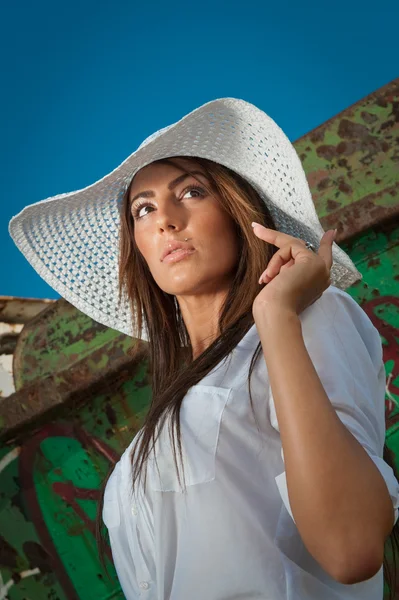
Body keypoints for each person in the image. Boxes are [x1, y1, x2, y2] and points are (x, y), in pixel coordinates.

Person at [8, 98, 399, 600]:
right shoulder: (146, 444)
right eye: (142, 209)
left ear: (241, 214)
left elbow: (351, 548)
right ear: (139, 249)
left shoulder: (305, 320)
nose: (165, 220)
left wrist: (275, 315)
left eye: (191, 192)